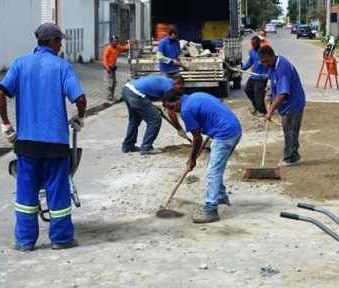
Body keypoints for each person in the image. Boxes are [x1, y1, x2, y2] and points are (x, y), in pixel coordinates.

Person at [0, 23, 86, 252]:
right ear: (53, 41)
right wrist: (79, 117)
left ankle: (25, 241)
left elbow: (0, 93)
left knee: (26, 192)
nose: (61, 45)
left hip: (26, 144)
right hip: (55, 144)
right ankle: (61, 239)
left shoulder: (20, 63)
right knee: (57, 191)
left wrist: (6, 124)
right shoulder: (62, 67)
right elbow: (81, 98)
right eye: (60, 41)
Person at [162, 90, 242, 224]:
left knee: (213, 172)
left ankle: (211, 210)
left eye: (171, 107)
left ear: (178, 100)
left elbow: (197, 138)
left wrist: (192, 159)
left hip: (225, 134)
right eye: (167, 108)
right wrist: (211, 126)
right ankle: (221, 196)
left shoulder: (186, 110)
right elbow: (214, 108)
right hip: (233, 129)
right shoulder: (196, 96)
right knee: (214, 165)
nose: (172, 110)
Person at [258, 46, 306, 167]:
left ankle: (291, 158)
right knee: (287, 129)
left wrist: (270, 111)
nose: (264, 64)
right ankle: (292, 154)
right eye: (262, 62)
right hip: (285, 104)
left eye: (265, 61)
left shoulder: (282, 68)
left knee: (290, 130)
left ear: (271, 55)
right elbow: (272, 82)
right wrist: (269, 94)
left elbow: (283, 94)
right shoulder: (272, 65)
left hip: (293, 103)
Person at [121, 74, 184, 154]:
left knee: (135, 120)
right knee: (155, 119)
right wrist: (179, 129)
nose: (180, 90)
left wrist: (151, 106)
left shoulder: (165, 81)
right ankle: (146, 147)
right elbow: (171, 112)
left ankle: (128, 146)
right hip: (136, 93)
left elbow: (152, 92)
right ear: (178, 84)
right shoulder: (170, 88)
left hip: (127, 89)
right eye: (181, 87)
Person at [242, 36, 269, 116]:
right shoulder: (251, 52)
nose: (253, 46)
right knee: (248, 90)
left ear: (258, 43)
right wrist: (243, 68)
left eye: (254, 44)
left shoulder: (264, 52)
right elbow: (250, 61)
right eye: (252, 44)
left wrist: (268, 74)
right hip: (253, 76)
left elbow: (269, 64)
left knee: (258, 95)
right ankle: (256, 107)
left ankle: (262, 111)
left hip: (261, 77)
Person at [102, 35, 130, 101]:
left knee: (114, 83)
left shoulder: (117, 47)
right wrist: (107, 68)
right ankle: (109, 97)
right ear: (111, 42)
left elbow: (124, 48)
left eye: (117, 41)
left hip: (113, 68)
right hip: (108, 68)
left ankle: (112, 96)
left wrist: (129, 44)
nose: (116, 43)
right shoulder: (108, 48)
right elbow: (104, 59)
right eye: (114, 41)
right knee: (109, 83)